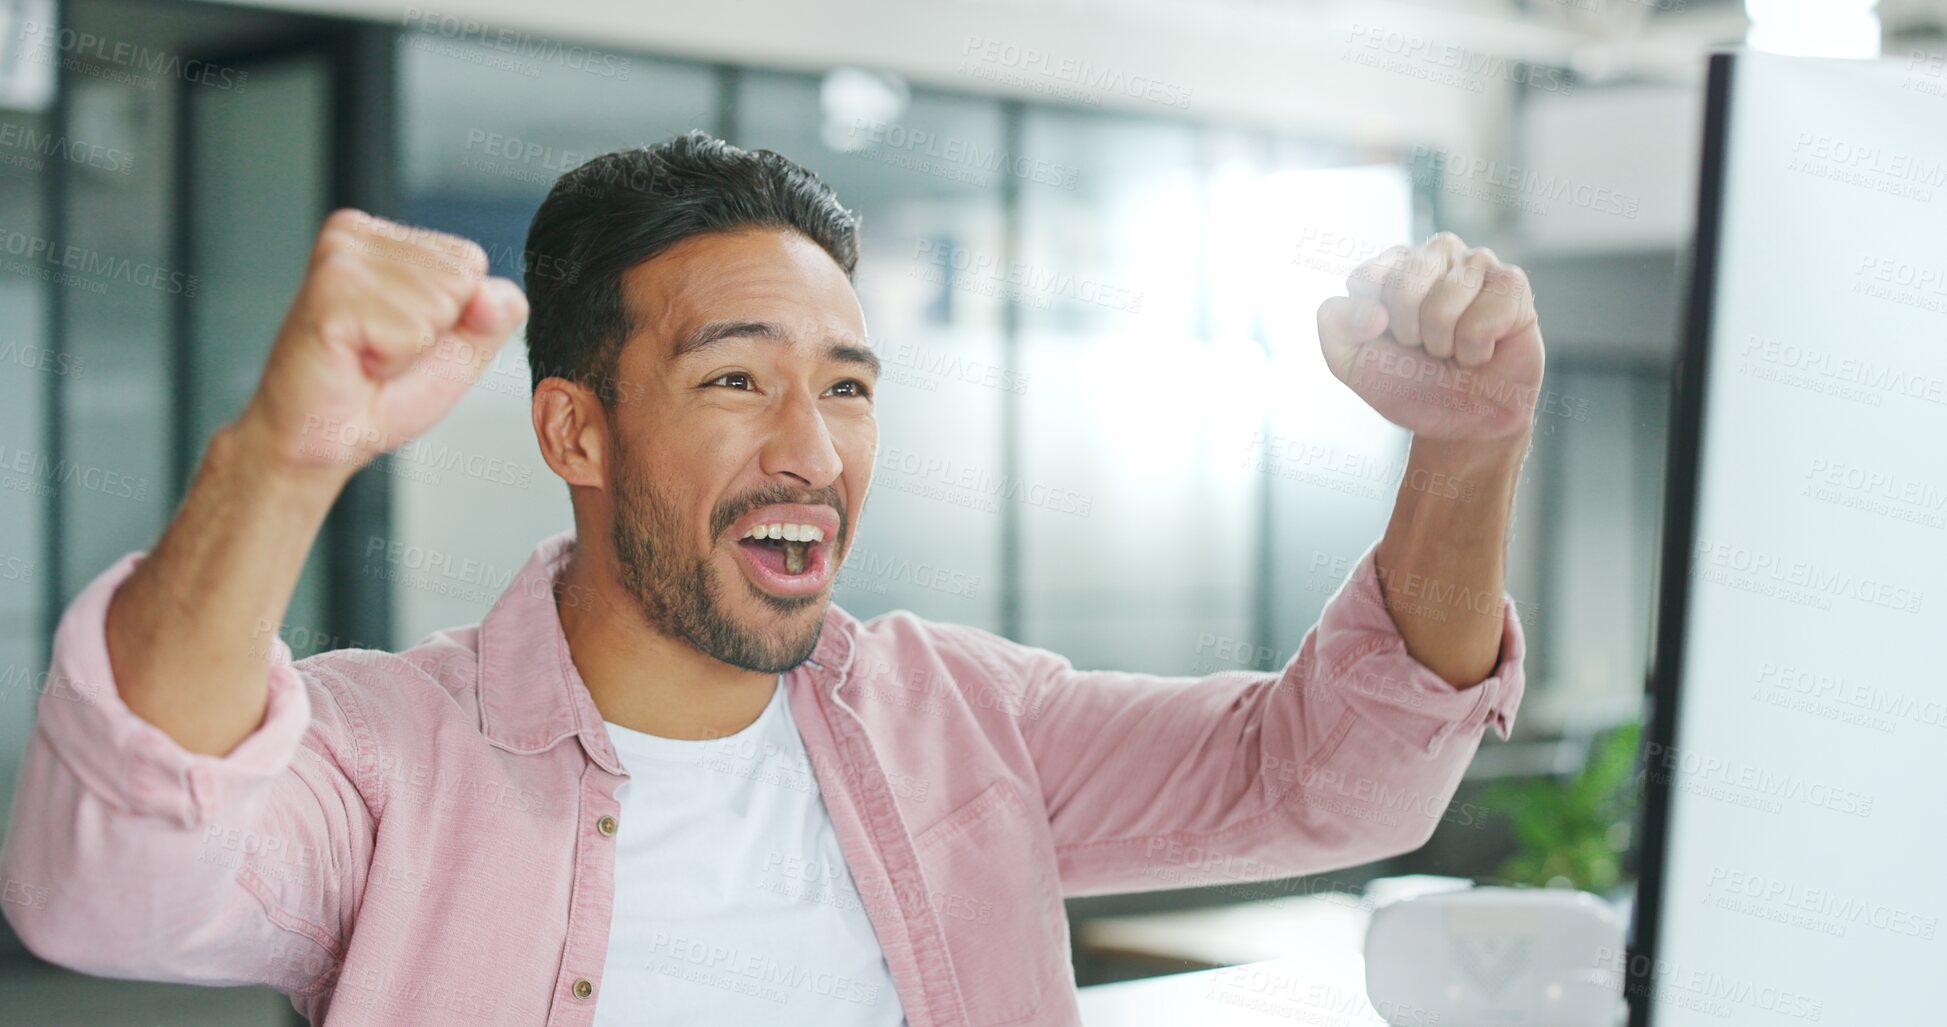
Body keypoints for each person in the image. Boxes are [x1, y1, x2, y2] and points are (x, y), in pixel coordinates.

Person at [0, 131, 1539, 1026]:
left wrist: (1466, 453)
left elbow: (1338, 786)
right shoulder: (396, 757)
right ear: (575, 430)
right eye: (738, 380)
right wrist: (282, 459)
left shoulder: (967, 722)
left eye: (850, 388)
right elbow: (109, 888)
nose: (812, 448)